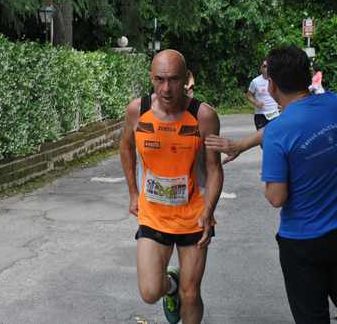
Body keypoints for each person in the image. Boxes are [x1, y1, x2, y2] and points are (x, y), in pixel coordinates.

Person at [206, 45, 337, 323]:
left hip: (303, 243)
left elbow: (276, 197)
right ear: (308, 76)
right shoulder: (333, 104)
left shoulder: (279, 132)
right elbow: (295, 124)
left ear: (272, 85)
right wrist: (242, 144)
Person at [120, 49, 223, 324]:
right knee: (150, 291)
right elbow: (126, 148)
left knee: (191, 294)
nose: (166, 88)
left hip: (193, 217)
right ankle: (171, 286)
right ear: (151, 78)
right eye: (160, 79)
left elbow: (214, 169)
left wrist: (209, 211)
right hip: (153, 214)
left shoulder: (203, 116)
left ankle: (182, 291)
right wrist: (132, 193)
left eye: (174, 80)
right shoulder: (137, 110)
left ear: (186, 79)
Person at [247, 59, 280, 130]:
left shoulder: (276, 80)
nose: (267, 68)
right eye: (264, 66)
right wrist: (256, 103)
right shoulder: (255, 82)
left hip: (275, 114)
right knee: (262, 139)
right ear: (261, 68)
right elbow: (249, 95)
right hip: (261, 115)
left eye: (269, 66)